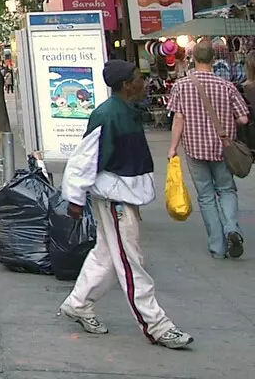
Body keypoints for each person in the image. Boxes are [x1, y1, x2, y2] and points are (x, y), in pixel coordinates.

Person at [58, 59, 193, 349]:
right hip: (115, 198)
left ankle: (78, 303)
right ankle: (156, 325)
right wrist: (75, 198)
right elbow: (85, 158)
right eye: (137, 78)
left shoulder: (123, 111)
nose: (143, 82)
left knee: (106, 255)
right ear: (125, 84)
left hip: (119, 196)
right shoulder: (109, 115)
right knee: (131, 263)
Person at [167, 39, 250, 259]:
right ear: (213, 59)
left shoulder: (181, 86)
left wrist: (173, 148)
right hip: (223, 148)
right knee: (226, 190)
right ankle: (232, 227)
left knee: (205, 196)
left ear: (193, 59)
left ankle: (217, 247)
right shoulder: (227, 86)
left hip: (195, 149)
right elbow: (243, 118)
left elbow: (178, 118)